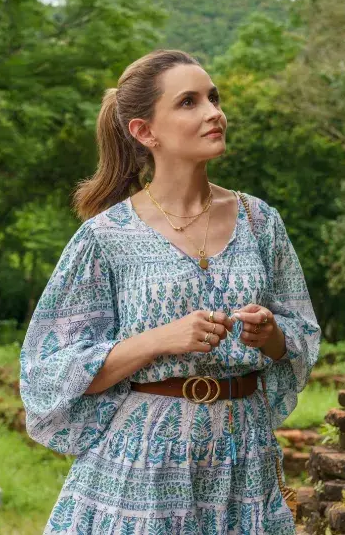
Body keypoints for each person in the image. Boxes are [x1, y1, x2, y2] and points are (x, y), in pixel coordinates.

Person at [19, 49, 321, 534]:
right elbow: (48, 373)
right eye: (189, 102)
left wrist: (270, 335)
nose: (213, 112)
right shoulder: (107, 236)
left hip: (242, 457)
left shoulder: (260, 221)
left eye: (213, 98)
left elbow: (302, 333)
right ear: (145, 132)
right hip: (143, 465)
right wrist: (160, 339)